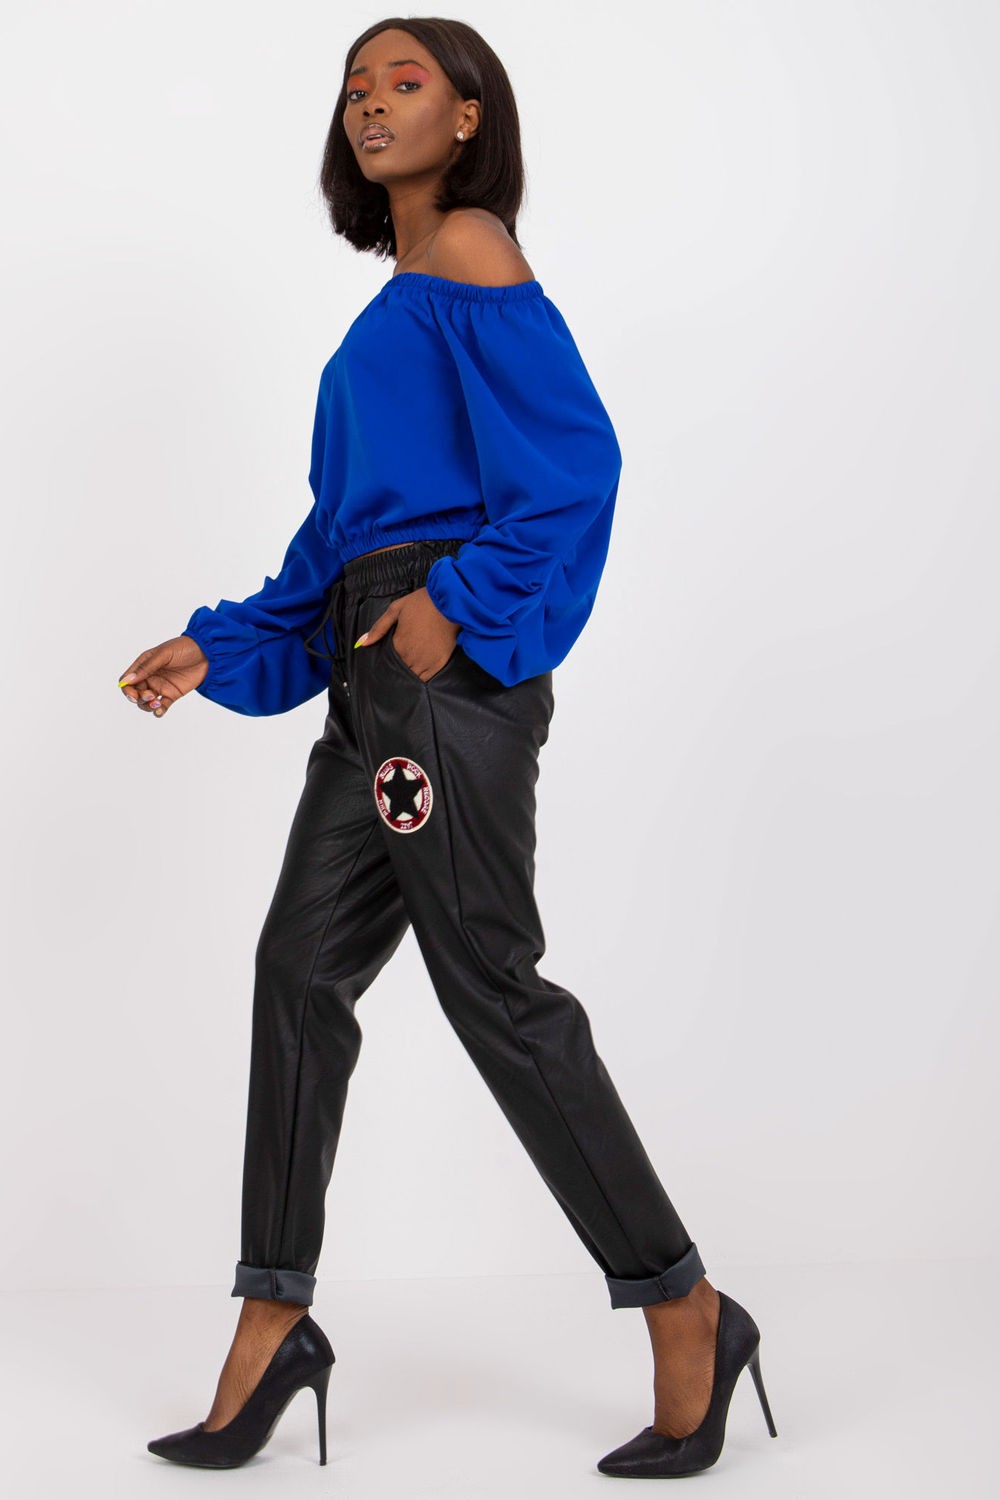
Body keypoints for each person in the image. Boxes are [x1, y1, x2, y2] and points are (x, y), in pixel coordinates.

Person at [121, 16, 777, 1479]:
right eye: (355, 86)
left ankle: (684, 1303)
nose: (372, 103)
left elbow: (576, 466)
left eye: (405, 81)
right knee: (299, 970)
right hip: (373, 664)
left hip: (437, 676)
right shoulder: (397, 296)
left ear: (470, 114)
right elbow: (336, 540)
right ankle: (273, 1320)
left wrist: (455, 611)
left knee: (491, 985)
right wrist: (220, 645)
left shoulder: (473, 250)